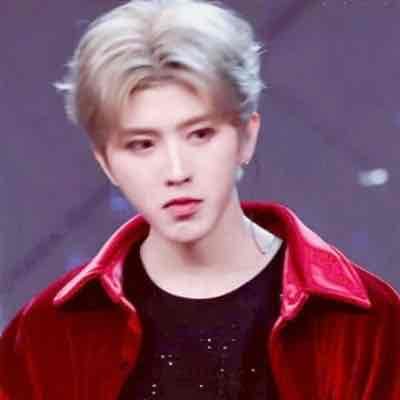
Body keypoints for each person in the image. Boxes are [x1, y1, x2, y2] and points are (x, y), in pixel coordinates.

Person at [1, 0, 399, 398]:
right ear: (106, 162)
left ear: (246, 136)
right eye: (142, 144)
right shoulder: (45, 335)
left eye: (200, 134)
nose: (177, 171)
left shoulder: (367, 324)